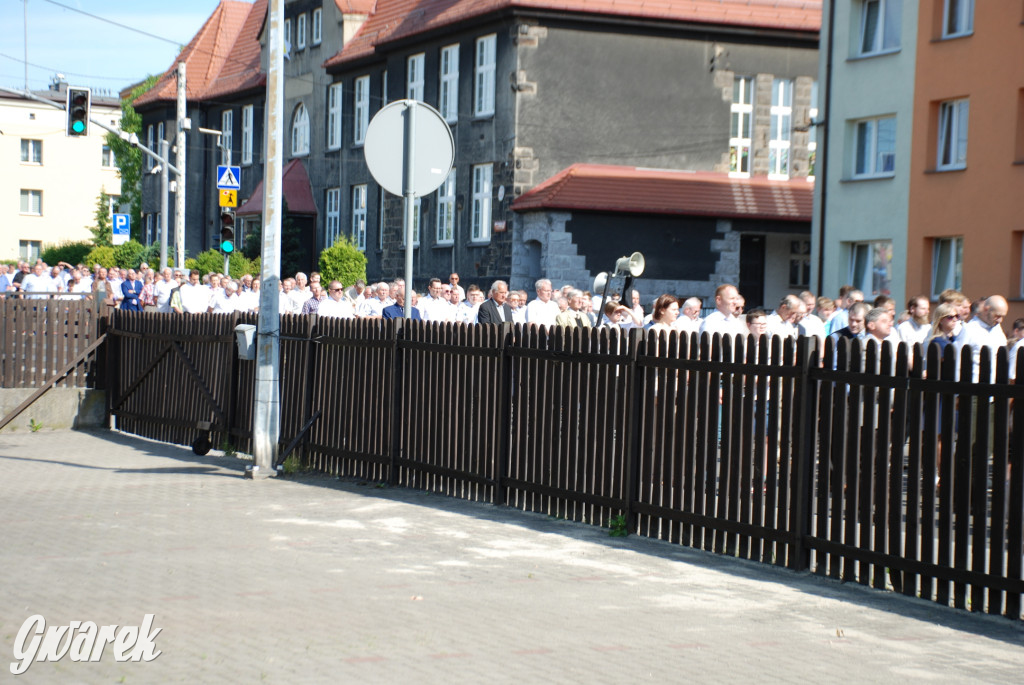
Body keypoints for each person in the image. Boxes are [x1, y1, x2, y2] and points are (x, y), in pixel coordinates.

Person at [955, 294, 1008, 383]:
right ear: (986, 309)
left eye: (1002, 316)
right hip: (973, 388)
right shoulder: (969, 329)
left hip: (995, 388)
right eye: (997, 315)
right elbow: (957, 360)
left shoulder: (998, 330)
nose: (1000, 320)